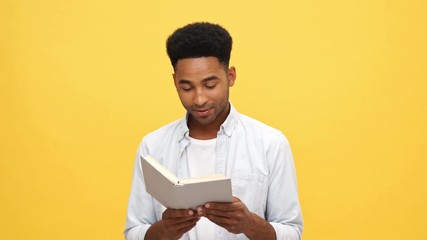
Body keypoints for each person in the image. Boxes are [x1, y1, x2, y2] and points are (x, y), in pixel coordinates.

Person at [124, 22, 303, 240]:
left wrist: (249, 224)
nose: (199, 99)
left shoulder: (270, 143)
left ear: (231, 76)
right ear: (174, 82)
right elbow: (134, 232)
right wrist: (165, 230)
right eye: (187, 87)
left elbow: (292, 232)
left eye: (210, 85)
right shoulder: (152, 146)